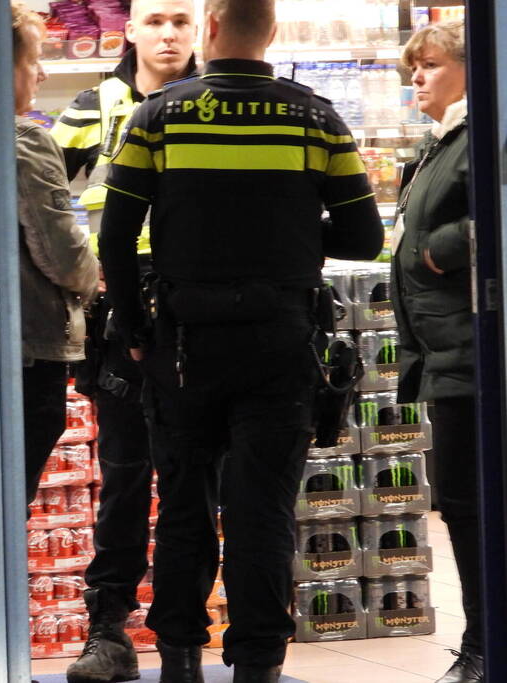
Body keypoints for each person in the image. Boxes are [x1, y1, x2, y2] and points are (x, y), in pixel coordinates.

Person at [98, 0, 383, 680]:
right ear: (271, 33)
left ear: (213, 27)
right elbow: (363, 238)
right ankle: (257, 663)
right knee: (260, 511)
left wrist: (135, 332)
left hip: (184, 345)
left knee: (184, 505)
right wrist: (283, 241)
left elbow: (114, 236)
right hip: (279, 341)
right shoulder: (314, 118)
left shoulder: (157, 116)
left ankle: (179, 658)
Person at [49, 1, 197, 681]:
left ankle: (181, 638)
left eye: (181, 21)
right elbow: (41, 188)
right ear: (130, 29)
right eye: (156, 20)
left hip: (201, 313)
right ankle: (107, 631)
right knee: (125, 477)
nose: (168, 34)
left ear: (200, 31)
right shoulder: (96, 104)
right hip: (123, 315)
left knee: (195, 483)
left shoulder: (217, 105)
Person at [391, 21, 480, 683]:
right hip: (443, 351)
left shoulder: (479, 134)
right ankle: (481, 637)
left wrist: (440, 248)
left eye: (427, 65)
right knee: (459, 501)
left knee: (469, 501)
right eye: (411, 69)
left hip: (472, 351)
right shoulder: (440, 141)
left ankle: (483, 643)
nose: (415, 79)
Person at [11, 2, 99, 511]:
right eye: (33, 60)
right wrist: (92, 280)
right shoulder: (24, 138)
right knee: (16, 490)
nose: (41, 72)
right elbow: (61, 251)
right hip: (29, 343)